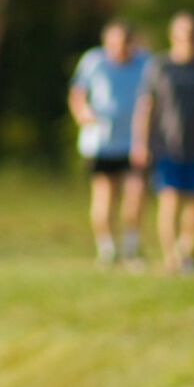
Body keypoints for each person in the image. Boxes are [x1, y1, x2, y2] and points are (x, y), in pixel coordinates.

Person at [132, 12, 194, 275]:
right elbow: (146, 106)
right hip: (167, 145)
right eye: (183, 32)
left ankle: (188, 248)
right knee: (169, 200)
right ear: (172, 35)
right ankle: (172, 257)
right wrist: (140, 143)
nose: (189, 37)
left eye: (193, 32)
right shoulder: (160, 66)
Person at [68, 20, 149, 267]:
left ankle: (131, 247)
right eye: (115, 43)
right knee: (105, 197)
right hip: (101, 141)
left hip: (134, 141)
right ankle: (106, 248)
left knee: (135, 195)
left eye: (125, 42)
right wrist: (83, 115)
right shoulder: (94, 62)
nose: (120, 48)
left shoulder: (145, 62)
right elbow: (77, 95)